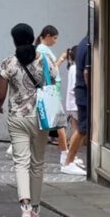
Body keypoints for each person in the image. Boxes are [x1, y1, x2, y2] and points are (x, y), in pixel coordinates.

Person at [0, 23, 57, 217]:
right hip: (41, 117)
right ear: (32, 38)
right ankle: (37, 209)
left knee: (21, 162)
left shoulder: (8, 64)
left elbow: (1, 94)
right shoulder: (44, 60)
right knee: (37, 163)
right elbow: (53, 80)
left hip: (18, 118)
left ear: (14, 40)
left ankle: (25, 208)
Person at [35, 25, 69, 165]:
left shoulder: (41, 49)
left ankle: (14, 148)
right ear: (47, 36)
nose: (55, 41)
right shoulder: (42, 49)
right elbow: (51, 68)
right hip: (50, 89)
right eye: (54, 38)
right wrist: (61, 58)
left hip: (50, 88)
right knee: (58, 122)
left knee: (43, 121)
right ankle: (65, 154)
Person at [61, 34, 89, 176]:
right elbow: (86, 73)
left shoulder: (83, 44)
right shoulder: (88, 46)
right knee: (81, 129)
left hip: (75, 101)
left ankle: (70, 159)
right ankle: (69, 161)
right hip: (79, 100)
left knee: (78, 129)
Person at [65, 45, 79, 139]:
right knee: (78, 130)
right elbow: (74, 86)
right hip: (76, 103)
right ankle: (73, 148)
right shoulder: (75, 69)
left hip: (72, 103)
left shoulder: (72, 68)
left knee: (75, 128)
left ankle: (72, 149)